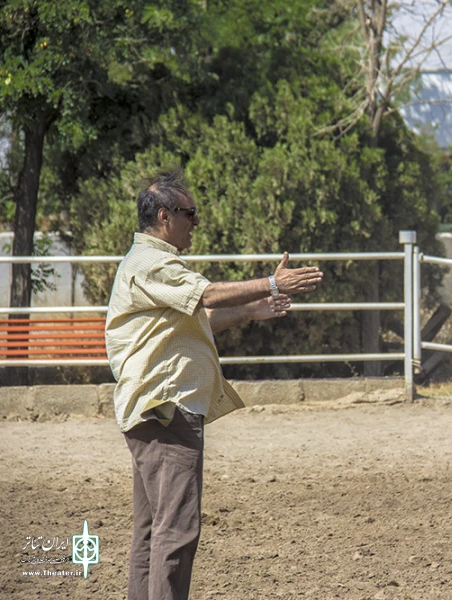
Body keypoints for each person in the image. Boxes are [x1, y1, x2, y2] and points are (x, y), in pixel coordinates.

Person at [105, 171, 323, 600]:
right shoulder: (153, 264)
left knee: (152, 530)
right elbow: (205, 295)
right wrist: (273, 283)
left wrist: (252, 309)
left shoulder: (150, 265)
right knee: (178, 529)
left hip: (155, 411)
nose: (195, 222)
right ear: (164, 216)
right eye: (190, 213)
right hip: (167, 412)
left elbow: (192, 321)